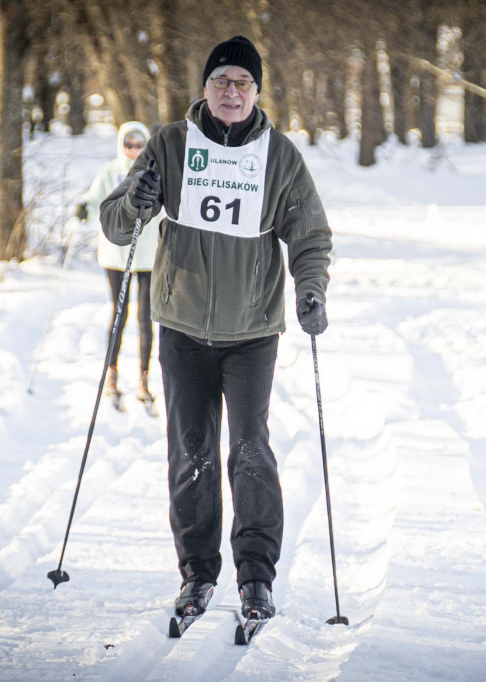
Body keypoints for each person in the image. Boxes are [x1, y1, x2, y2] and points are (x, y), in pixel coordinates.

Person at [99, 36, 332, 622]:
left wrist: (310, 290)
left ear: (257, 93)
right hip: (181, 327)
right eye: (222, 82)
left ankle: (256, 576)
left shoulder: (279, 156)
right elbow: (117, 225)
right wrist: (136, 200)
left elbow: (310, 236)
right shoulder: (171, 143)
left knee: (249, 450)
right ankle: (197, 574)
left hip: (252, 331)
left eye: (243, 84)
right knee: (192, 454)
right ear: (205, 89)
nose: (232, 93)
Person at [76, 121, 162, 409]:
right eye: (129, 144)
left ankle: (144, 376)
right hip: (116, 255)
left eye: (140, 145)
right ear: (121, 145)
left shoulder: (156, 170)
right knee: (119, 312)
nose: (134, 150)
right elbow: (95, 201)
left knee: (146, 317)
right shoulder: (110, 171)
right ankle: (111, 373)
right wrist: (83, 208)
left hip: (149, 254)